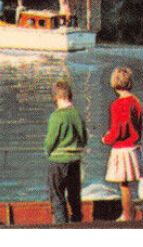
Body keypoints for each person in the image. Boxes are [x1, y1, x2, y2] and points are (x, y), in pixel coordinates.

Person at [103, 65, 143, 221]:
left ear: (114, 83)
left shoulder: (117, 105)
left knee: (124, 185)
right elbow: (138, 125)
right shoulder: (136, 101)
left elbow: (116, 132)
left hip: (122, 150)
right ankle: (131, 213)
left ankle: (128, 216)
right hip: (134, 148)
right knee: (131, 185)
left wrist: (106, 139)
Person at [44, 78, 88, 224]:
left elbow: (50, 141)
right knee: (74, 194)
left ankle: (61, 225)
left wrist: (48, 151)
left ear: (55, 97)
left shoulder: (56, 116)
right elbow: (84, 138)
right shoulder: (77, 115)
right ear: (71, 96)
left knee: (57, 195)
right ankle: (77, 222)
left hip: (57, 162)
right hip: (74, 161)